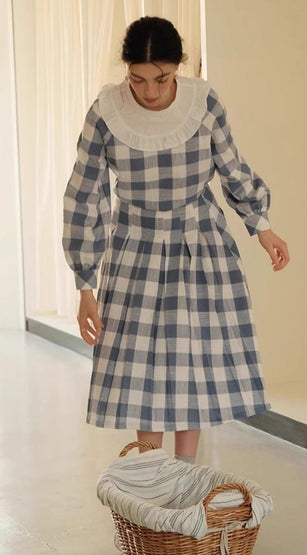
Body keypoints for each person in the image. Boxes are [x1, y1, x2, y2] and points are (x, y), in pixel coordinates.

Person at [62, 16, 290, 464]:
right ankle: (150, 471)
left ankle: (184, 474)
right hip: (135, 249)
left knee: (192, 363)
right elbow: (85, 194)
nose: (149, 91)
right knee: (141, 367)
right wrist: (85, 285)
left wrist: (262, 227)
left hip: (199, 245)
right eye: (138, 79)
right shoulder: (105, 112)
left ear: (178, 67)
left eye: (161, 78)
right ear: (126, 70)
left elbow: (232, 168)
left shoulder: (203, 103)